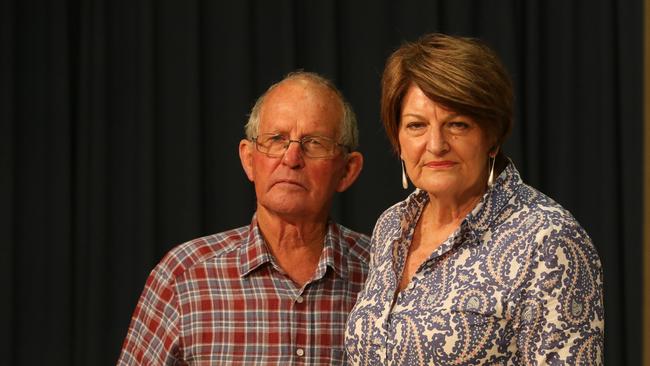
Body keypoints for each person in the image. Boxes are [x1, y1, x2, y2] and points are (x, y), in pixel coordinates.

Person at [345, 33, 604, 365]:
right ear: (398, 139)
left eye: (458, 124)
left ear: (492, 136)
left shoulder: (549, 240)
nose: (436, 144)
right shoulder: (391, 226)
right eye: (416, 126)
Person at [117, 71, 369, 365]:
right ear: (249, 159)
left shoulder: (384, 274)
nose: (291, 158)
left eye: (314, 143)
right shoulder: (184, 276)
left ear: (348, 170)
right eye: (276, 139)